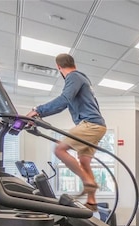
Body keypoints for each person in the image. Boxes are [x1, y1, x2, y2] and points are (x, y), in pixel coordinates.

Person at [26, 53, 106, 211]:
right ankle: (92, 202)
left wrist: (37, 111)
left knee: (59, 150)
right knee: (84, 161)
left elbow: (63, 100)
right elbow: (67, 104)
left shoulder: (73, 77)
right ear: (73, 63)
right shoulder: (83, 79)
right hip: (97, 126)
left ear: (58, 67)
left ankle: (87, 182)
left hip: (90, 125)